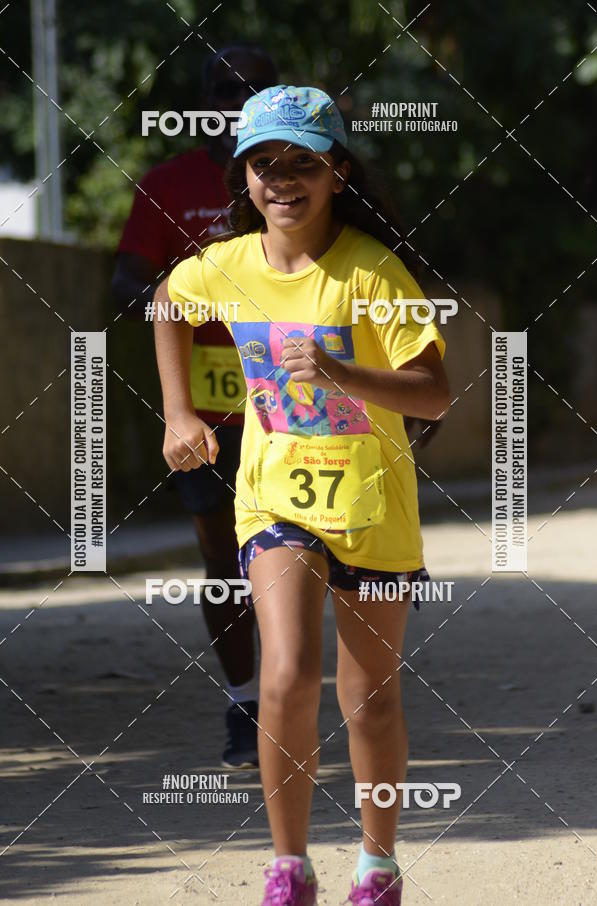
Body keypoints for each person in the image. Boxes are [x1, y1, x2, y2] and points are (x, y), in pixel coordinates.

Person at [153, 85, 450, 906]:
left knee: (374, 703)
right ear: (243, 175)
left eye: (302, 163)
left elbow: (434, 393)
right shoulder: (228, 266)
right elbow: (168, 304)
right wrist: (180, 412)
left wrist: (344, 373)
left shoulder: (371, 271)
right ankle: (289, 868)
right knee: (285, 671)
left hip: (372, 506)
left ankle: (378, 865)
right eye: (263, 163)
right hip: (274, 500)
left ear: (337, 172)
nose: (282, 180)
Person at [112, 45, 279, 769]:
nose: (237, 99)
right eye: (225, 88)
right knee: (221, 557)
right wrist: (179, 307)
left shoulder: (292, 178)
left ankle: (290, 693)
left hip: (289, 398)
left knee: (289, 550)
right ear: (204, 98)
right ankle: (246, 703)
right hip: (206, 407)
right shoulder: (167, 184)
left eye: (253, 88)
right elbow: (125, 281)